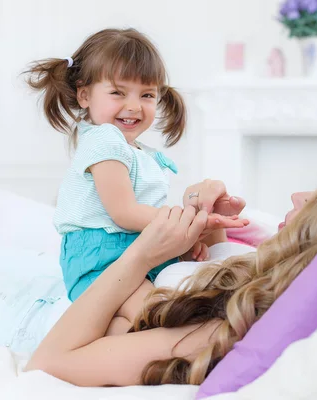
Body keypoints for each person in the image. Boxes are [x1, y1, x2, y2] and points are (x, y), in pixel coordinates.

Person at [24, 160, 317, 386]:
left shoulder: (217, 334)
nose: (297, 195)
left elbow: (47, 364)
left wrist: (141, 255)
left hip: (43, 315)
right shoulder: (262, 283)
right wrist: (216, 224)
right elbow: (210, 280)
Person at [23, 28, 247, 332]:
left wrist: (185, 242)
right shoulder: (103, 140)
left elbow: (144, 219)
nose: (133, 106)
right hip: (101, 259)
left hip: (139, 252)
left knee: (176, 304)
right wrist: (188, 222)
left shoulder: (144, 154)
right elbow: (125, 213)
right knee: (152, 315)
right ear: (84, 94)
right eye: (118, 92)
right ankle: (106, 350)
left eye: (146, 95)